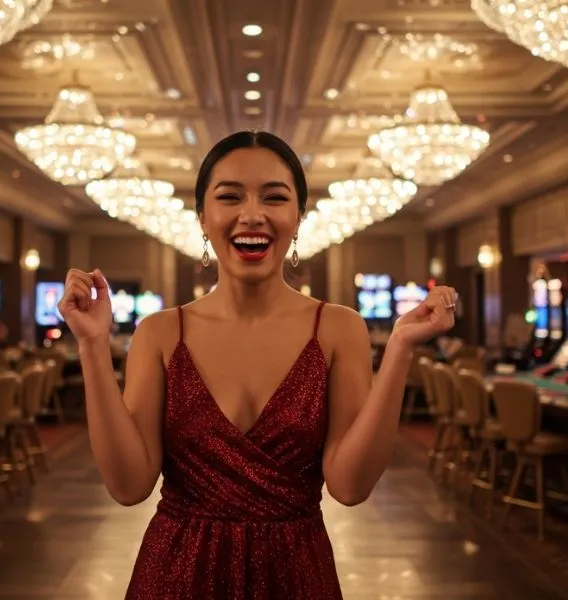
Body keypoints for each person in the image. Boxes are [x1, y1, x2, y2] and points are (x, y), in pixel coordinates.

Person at [58, 130, 457, 599]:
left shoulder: (338, 328)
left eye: (274, 197)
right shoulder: (160, 334)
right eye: (230, 197)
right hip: (177, 574)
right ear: (203, 218)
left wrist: (401, 349)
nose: (252, 214)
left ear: (298, 217)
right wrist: (92, 344)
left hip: (297, 573)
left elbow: (350, 487)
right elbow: (128, 487)